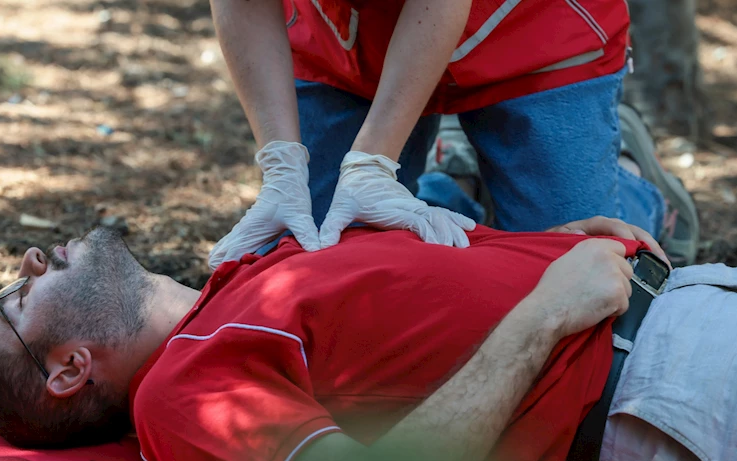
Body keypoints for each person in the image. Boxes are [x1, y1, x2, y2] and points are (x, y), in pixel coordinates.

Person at [0, 219, 737, 461]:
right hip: (676, 385)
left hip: (698, 302)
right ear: (68, 370)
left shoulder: (235, 285)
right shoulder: (181, 397)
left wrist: (540, 244)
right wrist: (547, 310)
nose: (30, 260)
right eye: (17, 298)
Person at [206, 0, 700, 268]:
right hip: (349, 44)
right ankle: (457, 185)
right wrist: (282, 165)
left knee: (565, 262)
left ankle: (638, 189)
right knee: (312, 256)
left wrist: (369, 165)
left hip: (533, 30)